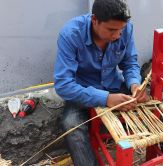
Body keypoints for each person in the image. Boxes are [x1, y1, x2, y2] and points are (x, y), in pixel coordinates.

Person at [54, 0, 148, 165]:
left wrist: (134, 84)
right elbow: (63, 85)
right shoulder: (71, 34)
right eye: (112, 30)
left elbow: (130, 63)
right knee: (71, 125)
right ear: (94, 20)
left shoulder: (124, 29)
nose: (117, 35)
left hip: (114, 85)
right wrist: (106, 99)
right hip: (82, 90)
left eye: (121, 29)